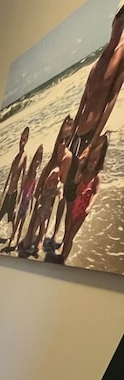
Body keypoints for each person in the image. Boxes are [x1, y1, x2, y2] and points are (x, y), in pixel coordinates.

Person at [47, 2, 124, 250]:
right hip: (78, 132)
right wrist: (70, 138)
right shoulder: (101, 57)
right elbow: (84, 98)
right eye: (117, 22)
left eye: (122, 24)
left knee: (78, 191)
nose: (118, 27)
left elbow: (110, 103)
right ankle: (63, 237)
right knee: (67, 189)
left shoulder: (121, 57)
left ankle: (68, 241)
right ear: (114, 23)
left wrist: (92, 143)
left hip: (90, 133)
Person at [46, 134, 108, 264]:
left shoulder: (96, 177)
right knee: (67, 231)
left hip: (82, 211)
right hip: (74, 206)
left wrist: (89, 207)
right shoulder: (83, 173)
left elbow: (96, 192)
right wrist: (80, 167)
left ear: (99, 161)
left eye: (94, 161)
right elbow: (75, 181)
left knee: (71, 234)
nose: (91, 164)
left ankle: (62, 258)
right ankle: (62, 254)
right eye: (90, 160)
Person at [18, 117, 73, 257]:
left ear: (70, 138)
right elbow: (46, 168)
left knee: (45, 215)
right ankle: (29, 236)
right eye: (61, 138)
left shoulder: (68, 156)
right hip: (44, 188)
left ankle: (40, 239)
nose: (62, 142)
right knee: (36, 213)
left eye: (66, 139)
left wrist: (57, 186)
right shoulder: (56, 150)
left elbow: (63, 179)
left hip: (53, 190)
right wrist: (38, 188)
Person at [0, 126, 29, 240]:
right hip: (8, 192)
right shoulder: (15, 157)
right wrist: (3, 193)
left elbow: (23, 176)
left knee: (12, 215)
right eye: (21, 139)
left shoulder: (24, 156)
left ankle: (13, 236)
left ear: (26, 141)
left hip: (15, 192)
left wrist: (20, 195)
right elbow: (9, 176)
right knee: (0, 215)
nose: (22, 142)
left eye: (24, 139)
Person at [1, 144, 43, 253]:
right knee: (17, 224)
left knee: (21, 226)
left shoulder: (36, 176)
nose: (37, 163)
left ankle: (16, 243)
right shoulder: (28, 175)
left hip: (27, 203)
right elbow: (23, 189)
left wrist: (32, 205)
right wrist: (18, 203)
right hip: (22, 203)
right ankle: (11, 241)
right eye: (36, 160)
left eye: (39, 160)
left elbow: (33, 192)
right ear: (33, 161)